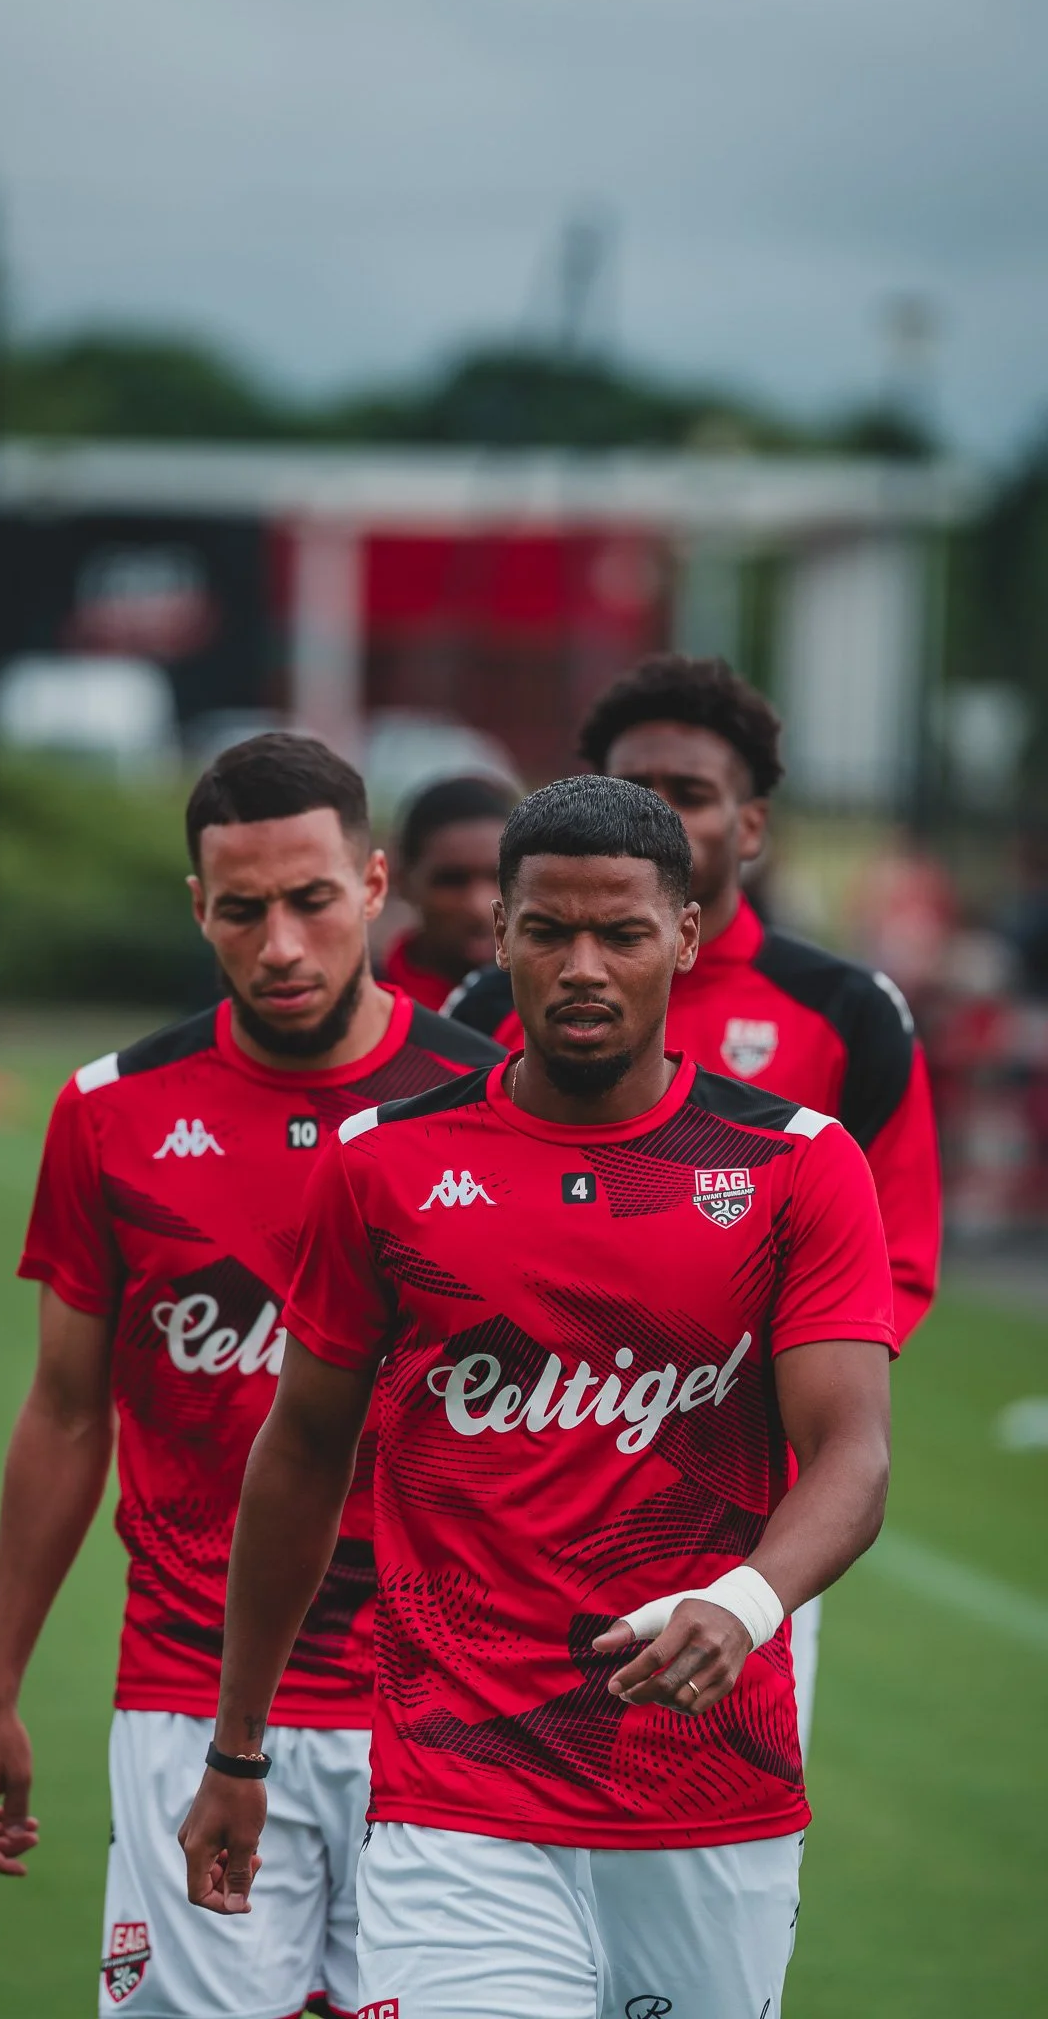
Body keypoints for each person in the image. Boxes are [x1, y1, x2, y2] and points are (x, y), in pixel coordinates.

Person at [181, 775, 895, 2019]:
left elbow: (853, 1454)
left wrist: (744, 1599)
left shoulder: (798, 1163)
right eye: (547, 929)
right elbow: (297, 1459)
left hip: (707, 1793)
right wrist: (239, 1744)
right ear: (498, 930)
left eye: (620, 932)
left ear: (682, 933)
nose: (581, 966)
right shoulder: (385, 1164)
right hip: (458, 1798)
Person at [0, 734, 497, 2019]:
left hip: (441, 1698)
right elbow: (67, 1411)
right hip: (187, 1692)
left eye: (312, 899)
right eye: (242, 910)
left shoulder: (486, 1101)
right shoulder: (110, 1111)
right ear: (199, 907)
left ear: (374, 885)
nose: (282, 944)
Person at [448, 656, 941, 1744]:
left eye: (694, 793)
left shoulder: (845, 1011)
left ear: (751, 826)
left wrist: (746, 1409)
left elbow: (896, 1263)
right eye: (640, 785)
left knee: (716, 1820)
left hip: (748, 1511)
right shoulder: (488, 1001)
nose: (661, 813)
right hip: (521, 1496)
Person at [381, 776, 516, 1011]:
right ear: (402, 881)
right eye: (451, 881)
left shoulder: (563, 1006)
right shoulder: (365, 1012)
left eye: (499, 878)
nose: (479, 906)